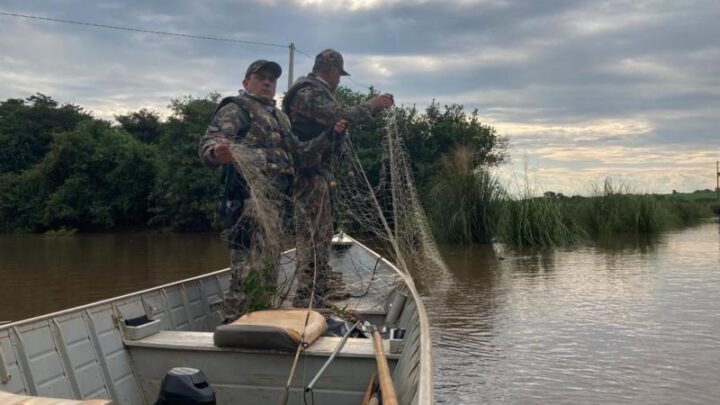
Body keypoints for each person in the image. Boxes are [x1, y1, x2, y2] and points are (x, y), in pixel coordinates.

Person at [199, 59, 347, 322]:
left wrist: (329, 135)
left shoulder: (280, 117)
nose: (267, 82)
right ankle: (232, 330)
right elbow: (209, 143)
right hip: (245, 204)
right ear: (246, 83)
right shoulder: (236, 109)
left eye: (272, 79)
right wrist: (216, 153)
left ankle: (257, 327)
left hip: (275, 207)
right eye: (260, 77)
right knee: (247, 274)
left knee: (268, 272)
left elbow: (300, 153)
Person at [282, 49, 394, 307]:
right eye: (339, 75)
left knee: (323, 233)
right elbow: (341, 114)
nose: (339, 81)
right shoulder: (307, 93)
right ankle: (307, 296)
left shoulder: (313, 90)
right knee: (312, 235)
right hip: (308, 176)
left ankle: (318, 288)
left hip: (319, 175)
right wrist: (373, 105)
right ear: (332, 72)